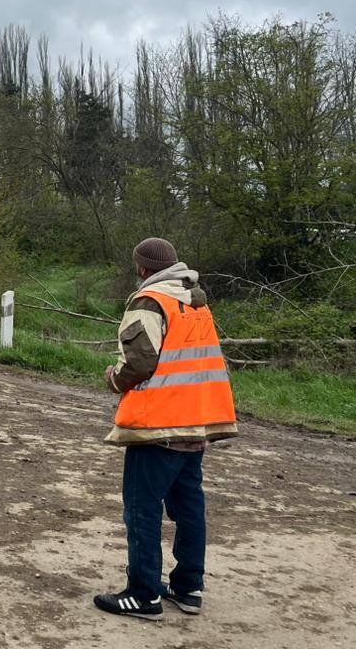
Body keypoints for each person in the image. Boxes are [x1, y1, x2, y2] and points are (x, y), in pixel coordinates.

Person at [93, 237, 237, 622]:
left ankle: (143, 594)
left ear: (142, 267)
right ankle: (188, 587)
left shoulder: (150, 301)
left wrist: (113, 378)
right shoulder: (195, 302)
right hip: (197, 421)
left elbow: (140, 361)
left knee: (142, 509)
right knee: (188, 508)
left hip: (158, 425)